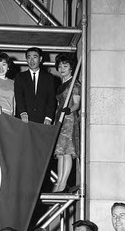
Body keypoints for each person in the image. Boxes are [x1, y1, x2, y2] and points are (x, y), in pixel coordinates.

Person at [53, 53, 81, 192]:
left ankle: (63, 182)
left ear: (71, 68)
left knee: (67, 150)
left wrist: (68, 110)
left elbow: (76, 104)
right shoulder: (62, 84)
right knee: (60, 153)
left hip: (69, 119)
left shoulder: (74, 84)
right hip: (60, 119)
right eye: (60, 66)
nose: (62, 68)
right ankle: (59, 181)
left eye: (65, 66)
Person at [14, 47, 57, 124]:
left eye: (35, 57)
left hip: (43, 121)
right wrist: (22, 112)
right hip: (24, 119)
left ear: (40, 59)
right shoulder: (20, 77)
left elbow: (51, 99)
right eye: (29, 57)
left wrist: (48, 118)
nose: (32, 60)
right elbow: (18, 96)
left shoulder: (49, 78)